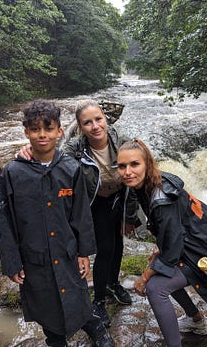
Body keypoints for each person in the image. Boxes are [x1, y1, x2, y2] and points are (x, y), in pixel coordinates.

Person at [0, 100, 114, 347]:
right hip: (33, 256)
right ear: (26, 132)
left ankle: (95, 328)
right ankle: (56, 341)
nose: (42, 135)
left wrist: (84, 252)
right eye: (36, 129)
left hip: (67, 251)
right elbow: (5, 220)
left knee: (78, 296)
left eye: (48, 129)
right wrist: (12, 262)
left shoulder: (70, 168)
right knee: (46, 304)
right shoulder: (13, 173)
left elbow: (81, 214)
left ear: (59, 131)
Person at [18, 99, 139, 327]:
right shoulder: (75, 148)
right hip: (95, 203)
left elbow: (135, 174)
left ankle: (114, 283)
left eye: (98, 119)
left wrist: (131, 216)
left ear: (105, 119)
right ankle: (100, 300)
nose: (95, 126)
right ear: (80, 126)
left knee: (118, 244)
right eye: (87, 122)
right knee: (105, 249)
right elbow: (55, 160)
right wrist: (30, 150)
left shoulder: (122, 141)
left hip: (119, 199)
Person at [116, 139, 207, 347]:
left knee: (156, 287)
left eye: (134, 164)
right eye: (122, 166)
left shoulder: (161, 196)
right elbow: (174, 229)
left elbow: (172, 252)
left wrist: (145, 276)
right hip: (197, 244)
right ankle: (196, 321)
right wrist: (159, 249)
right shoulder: (151, 183)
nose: (127, 171)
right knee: (160, 267)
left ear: (147, 163)